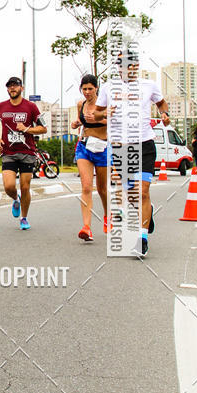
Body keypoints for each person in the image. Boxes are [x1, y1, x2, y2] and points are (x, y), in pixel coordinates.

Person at [96, 52, 170, 258]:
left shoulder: (149, 85)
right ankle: (148, 211)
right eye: (120, 65)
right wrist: (105, 113)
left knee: (143, 192)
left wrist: (165, 114)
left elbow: (161, 103)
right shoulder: (108, 87)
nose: (124, 69)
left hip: (144, 144)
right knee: (132, 196)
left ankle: (142, 238)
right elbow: (97, 112)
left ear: (135, 66)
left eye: (128, 65)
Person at [0, 76, 47, 230]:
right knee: (9, 186)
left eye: (15, 86)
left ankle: (24, 218)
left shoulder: (31, 107)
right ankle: (16, 198)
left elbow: (43, 128)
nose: (12, 88)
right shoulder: (1, 107)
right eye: (9, 86)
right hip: (9, 152)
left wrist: (27, 129)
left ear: (22, 88)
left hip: (27, 152)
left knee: (25, 187)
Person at [71, 74, 109, 241]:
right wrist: (77, 123)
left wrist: (100, 120)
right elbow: (82, 120)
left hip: (102, 148)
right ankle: (86, 227)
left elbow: (116, 122)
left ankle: (108, 216)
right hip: (84, 147)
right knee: (86, 187)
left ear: (96, 88)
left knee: (102, 189)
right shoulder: (81, 104)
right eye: (84, 89)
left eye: (90, 89)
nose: (87, 92)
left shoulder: (105, 103)